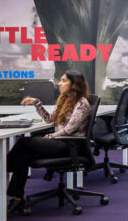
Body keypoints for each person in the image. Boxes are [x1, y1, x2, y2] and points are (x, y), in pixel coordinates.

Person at [5, 70, 93, 212]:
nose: (59, 83)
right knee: (24, 155)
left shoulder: (82, 103)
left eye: (64, 80)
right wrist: (36, 103)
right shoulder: (65, 99)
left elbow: (69, 130)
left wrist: (50, 137)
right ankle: (17, 199)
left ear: (75, 84)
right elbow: (50, 120)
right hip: (60, 142)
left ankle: (2, 168)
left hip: (70, 145)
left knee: (25, 142)